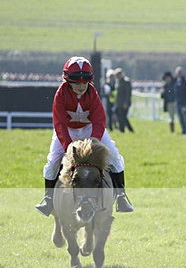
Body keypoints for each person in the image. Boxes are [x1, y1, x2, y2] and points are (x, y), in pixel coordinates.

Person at [35, 56, 134, 216]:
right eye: (77, 83)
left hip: (90, 129)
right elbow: (59, 123)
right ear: (68, 81)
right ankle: (48, 199)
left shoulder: (92, 93)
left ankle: (121, 196)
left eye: (84, 82)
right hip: (67, 130)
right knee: (52, 160)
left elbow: (99, 121)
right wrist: (68, 146)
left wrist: (93, 143)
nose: (81, 86)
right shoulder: (60, 94)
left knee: (115, 156)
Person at [114, 68, 134, 133]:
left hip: (124, 103)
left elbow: (128, 93)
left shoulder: (126, 81)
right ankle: (127, 129)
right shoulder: (119, 82)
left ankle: (124, 130)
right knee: (121, 117)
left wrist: (126, 103)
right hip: (119, 103)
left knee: (123, 117)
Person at [174, 66, 186, 135]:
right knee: (180, 118)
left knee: (185, 118)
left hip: (184, 103)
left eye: (180, 72)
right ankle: (183, 130)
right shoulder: (176, 81)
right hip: (178, 103)